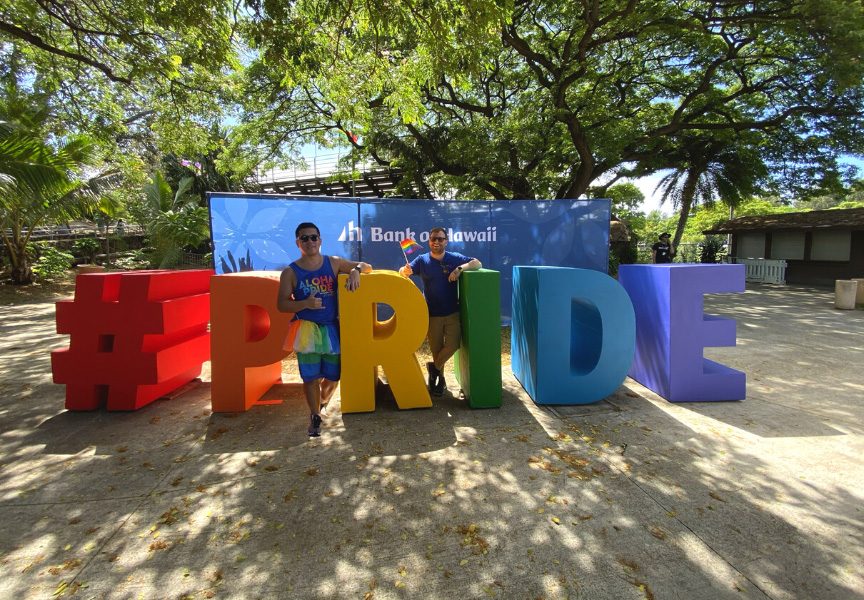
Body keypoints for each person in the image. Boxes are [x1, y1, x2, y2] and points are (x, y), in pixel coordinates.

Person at [277, 222, 371, 437]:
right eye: (304, 238)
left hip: (331, 329)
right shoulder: (290, 272)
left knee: (334, 375)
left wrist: (355, 271)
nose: (309, 241)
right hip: (306, 330)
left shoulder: (334, 262)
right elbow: (281, 304)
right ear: (297, 242)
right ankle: (315, 415)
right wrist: (304, 304)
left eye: (313, 237)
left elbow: (367, 266)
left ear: (320, 240)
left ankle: (322, 401)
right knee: (310, 377)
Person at [398, 227, 481, 396]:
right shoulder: (422, 260)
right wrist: (403, 271)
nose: (436, 242)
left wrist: (459, 269)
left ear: (446, 241)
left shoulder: (454, 258)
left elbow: (477, 263)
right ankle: (440, 381)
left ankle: (433, 368)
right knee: (436, 349)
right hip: (431, 313)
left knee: (452, 345)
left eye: (440, 239)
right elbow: (403, 271)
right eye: (433, 239)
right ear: (429, 241)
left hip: (451, 312)